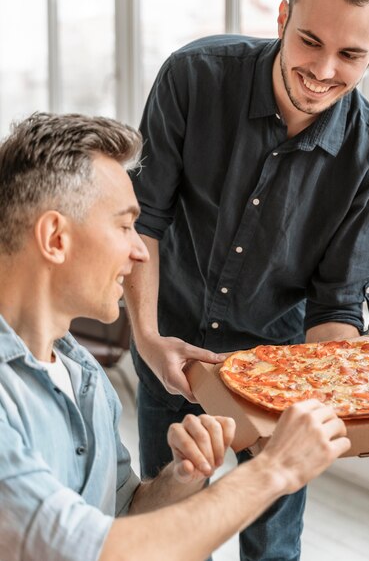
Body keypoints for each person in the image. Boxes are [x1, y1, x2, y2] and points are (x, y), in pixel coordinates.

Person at [124, 0, 369, 561]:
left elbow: (337, 305)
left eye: (351, 54)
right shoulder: (193, 77)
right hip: (170, 347)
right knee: (168, 526)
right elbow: (143, 221)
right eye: (309, 41)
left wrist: (312, 409)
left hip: (280, 376)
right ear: (281, 18)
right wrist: (144, 335)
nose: (324, 70)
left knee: (273, 544)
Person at [0, 111, 350, 561]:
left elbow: (124, 515)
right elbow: (91, 550)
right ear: (55, 237)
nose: (140, 251)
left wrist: (182, 478)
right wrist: (274, 469)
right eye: (125, 226)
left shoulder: (83, 374)